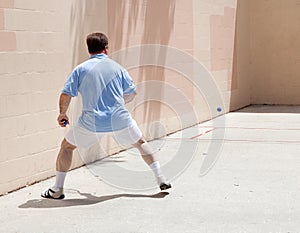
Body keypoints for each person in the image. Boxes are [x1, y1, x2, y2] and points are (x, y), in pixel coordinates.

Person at [41, 32, 171, 199]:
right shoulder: (118, 68)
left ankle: (57, 189)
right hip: (120, 119)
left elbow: (66, 95)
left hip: (92, 123)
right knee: (140, 142)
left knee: (67, 147)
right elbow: (132, 93)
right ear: (106, 49)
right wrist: (116, 103)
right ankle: (161, 178)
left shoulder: (80, 69)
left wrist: (62, 114)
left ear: (89, 50)